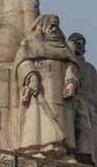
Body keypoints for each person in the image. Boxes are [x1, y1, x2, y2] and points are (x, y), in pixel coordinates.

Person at [13, 14, 78, 159]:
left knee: (60, 119)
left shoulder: (64, 48)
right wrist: (32, 77)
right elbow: (23, 62)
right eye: (51, 26)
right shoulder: (30, 44)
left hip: (59, 90)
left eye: (56, 26)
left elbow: (71, 67)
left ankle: (59, 151)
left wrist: (71, 83)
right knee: (38, 118)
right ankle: (37, 149)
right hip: (39, 88)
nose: (54, 29)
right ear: (42, 27)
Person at [68, 32, 97, 167]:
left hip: (89, 107)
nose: (79, 46)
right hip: (72, 104)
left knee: (89, 139)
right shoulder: (65, 64)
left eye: (82, 44)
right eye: (76, 43)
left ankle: (88, 162)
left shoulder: (90, 68)